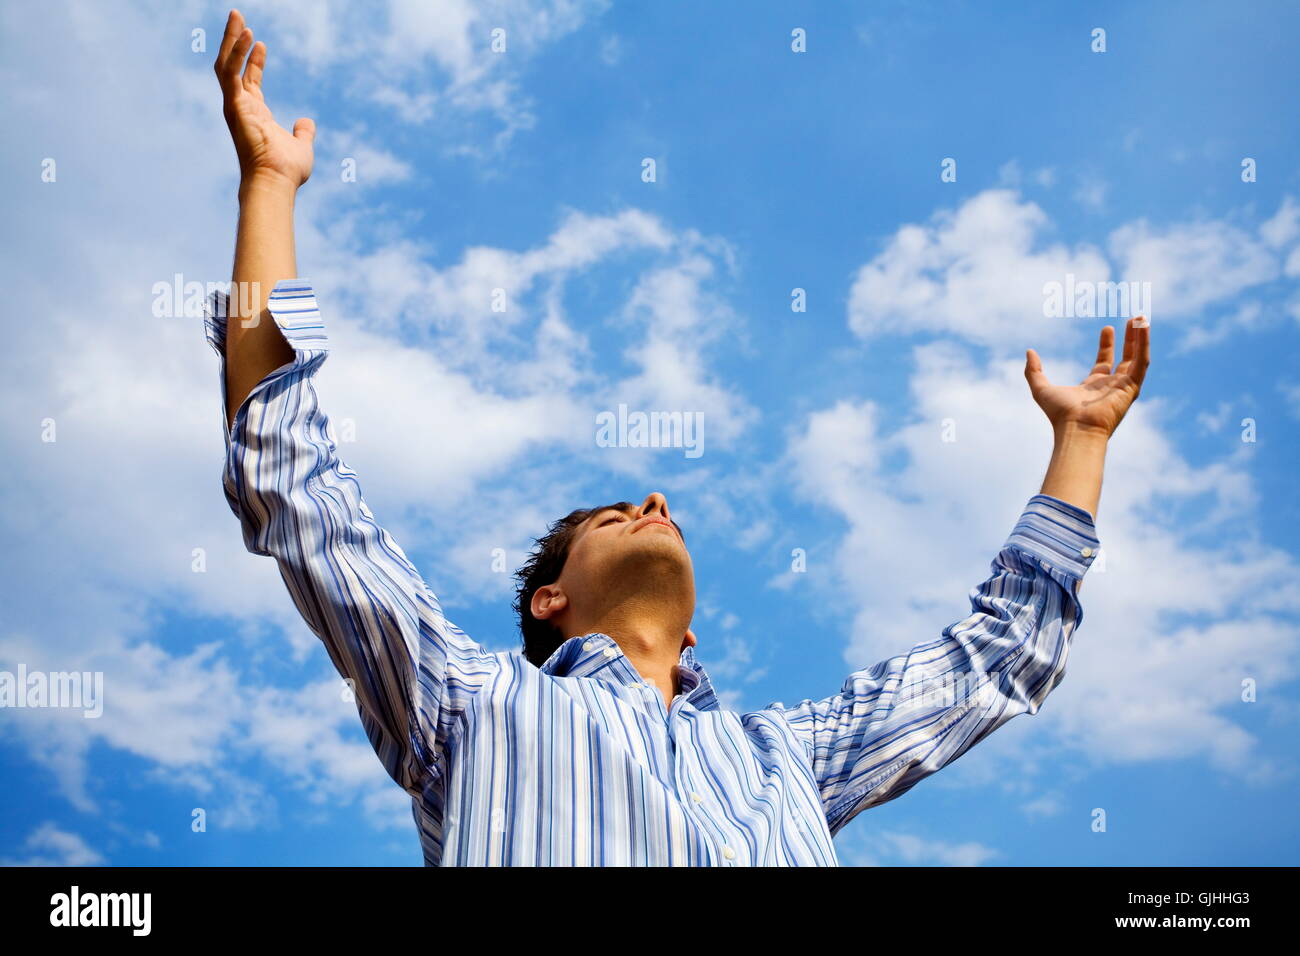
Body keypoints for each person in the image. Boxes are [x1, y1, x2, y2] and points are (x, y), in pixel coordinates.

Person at [205, 10, 1150, 866]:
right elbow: (293, 481)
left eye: (651, 509)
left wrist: (1084, 438)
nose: (657, 504)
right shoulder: (465, 702)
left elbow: (998, 654)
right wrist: (269, 190)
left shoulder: (790, 760)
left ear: (693, 633)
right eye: (617, 513)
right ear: (549, 600)